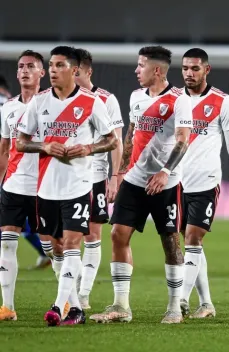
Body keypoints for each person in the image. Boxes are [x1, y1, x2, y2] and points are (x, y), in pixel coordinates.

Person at [90, 46, 192, 325]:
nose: (136, 70)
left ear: (156, 70)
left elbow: (184, 139)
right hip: (135, 179)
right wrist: (119, 174)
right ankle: (121, 305)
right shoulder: (136, 97)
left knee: (170, 242)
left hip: (166, 183)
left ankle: (173, 306)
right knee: (118, 235)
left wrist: (164, 171)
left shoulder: (180, 99)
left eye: (141, 65)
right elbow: (131, 137)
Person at [16, 46, 118, 326]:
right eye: (51, 65)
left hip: (78, 185)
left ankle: (59, 306)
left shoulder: (91, 103)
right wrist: (44, 145)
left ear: (74, 71)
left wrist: (89, 148)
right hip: (46, 187)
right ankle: (76, 308)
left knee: (73, 243)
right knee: (54, 247)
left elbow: (111, 140)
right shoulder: (39, 102)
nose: (52, 70)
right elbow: (21, 142)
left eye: (59, 65)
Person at [178, 48, 229, 318]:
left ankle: (181, 300)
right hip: (176, 183)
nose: (189, 73)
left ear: (207, 69)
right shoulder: (174, 99)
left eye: (195, 68)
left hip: (205, 182)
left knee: (193, 238)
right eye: (185, 68)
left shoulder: (222, 102)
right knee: (188, 243)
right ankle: (206, 303)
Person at [74, 48, 124, 310]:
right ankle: (70, 288)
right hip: (63, 179)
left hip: (94, 177)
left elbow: (116, 142)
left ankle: (82, 295)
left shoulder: (106, 99)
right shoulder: (59, 100)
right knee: (54, 240)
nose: (73, 76)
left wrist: (115, 176)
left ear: (88, 72)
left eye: (77, 72)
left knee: (92, 235)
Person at [0, 50, 46, 321]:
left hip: (46, 187)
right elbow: (4, 148)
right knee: (7, 243)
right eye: (21, 67)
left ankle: (67, 302)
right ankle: (7, 307)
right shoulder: (8, 107)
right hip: (14, 186)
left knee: (55, 247)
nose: (25, 70)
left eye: (32, 66)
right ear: (16, 74)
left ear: (42, 72)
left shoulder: (53, 104)